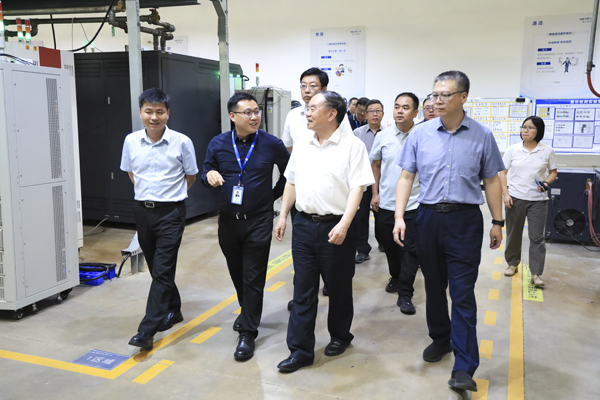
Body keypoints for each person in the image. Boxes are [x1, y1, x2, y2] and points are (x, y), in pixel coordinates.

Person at [393, 71, 505, 393]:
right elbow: (406, 177)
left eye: (445, 95)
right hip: (427, 218)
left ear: (463, 97)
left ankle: (465, 365)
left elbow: (492, 180)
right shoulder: (420, 134)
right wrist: (399, 216)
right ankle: (441, 338)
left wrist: (498, 221)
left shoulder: (482, 135)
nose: (437, 101)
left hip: (464, 221)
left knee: (462, 291)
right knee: (433, 285)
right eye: (434, 95)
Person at [274, 91, 374, 373]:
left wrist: (345, 224)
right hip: (304, 226)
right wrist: (282, 216)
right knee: (303, 290)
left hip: (336, 226)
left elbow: (358, 188)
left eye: (313, 108)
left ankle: (340, 335)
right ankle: (300, 350)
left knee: (338, 286)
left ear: (331, 114)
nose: (307, 112)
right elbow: (291, 182)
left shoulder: (352, 146)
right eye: (307, 108)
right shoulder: (303, 145)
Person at [201, 92, 289, 361]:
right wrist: (209, 175)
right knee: (237, 273)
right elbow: (205, 172)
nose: (255, 117)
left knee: (253, 276)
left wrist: (270, 197)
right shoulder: (218, 143)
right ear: (232, 116)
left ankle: (248, 332)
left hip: (258, 221)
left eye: (257, 111)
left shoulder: (271, 143)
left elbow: (289, 175)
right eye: (248, 112)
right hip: (228, 221)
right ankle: (247, 311)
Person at [121, 88, 198, 351]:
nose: (154, 117)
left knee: (163, 270)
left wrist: (169, 196)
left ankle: (147, 330)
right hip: (143, 211)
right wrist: (148, 194)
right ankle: (173, 309)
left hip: (171, 213)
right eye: (149, 111)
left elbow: (190, 176)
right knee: (157, 267)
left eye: (159, 112)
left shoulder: (182, 142)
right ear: (140, 112)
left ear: (168, 113)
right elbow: (131, 173)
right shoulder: (131, 141)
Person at [281, 67, 353, 302]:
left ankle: (331, 284)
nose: (307, 90)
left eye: (313, 86)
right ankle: (302, 292)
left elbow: (345, 148)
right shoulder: (293, 116)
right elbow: (289, 147)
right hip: (304, 195)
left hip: (332, 201)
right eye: (303, 86)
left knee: (335, 269)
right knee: (304, 260)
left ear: (324, 89)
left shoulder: (338, 119)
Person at [370, 93, 420, 314]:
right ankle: (396, 276)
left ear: (415, 112)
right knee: (390, 246)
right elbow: (375, 165)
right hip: (387, 202)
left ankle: (406, 293)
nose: (400, 111)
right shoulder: (383, 136)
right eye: (397, 106)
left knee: (410, 250)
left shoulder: (423, 135)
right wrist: (375, 193)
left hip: (414, 204)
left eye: (405, 107)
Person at [499, 116, 556, 287]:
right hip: (515, 198)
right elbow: (502, 173)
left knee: (537, 237)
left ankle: (536, 273)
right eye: (524, 127)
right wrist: (506, 194)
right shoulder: (513, 150)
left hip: (538, 200)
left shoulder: (547, 150)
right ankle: (512, 263)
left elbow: (553, 172)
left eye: (530, 128)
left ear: (539, 131)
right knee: (513, 234)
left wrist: (546, 183)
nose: (526, 130)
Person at [353, 99, 385, 263]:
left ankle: (383, 242)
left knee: (382, 216)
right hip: (363, 182)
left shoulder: (388, 133)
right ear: (365, 114)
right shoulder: (357, 134)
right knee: (361, 217)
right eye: (371, 111)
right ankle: (363, 249)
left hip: (383, 181)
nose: (375, 114)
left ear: (383, 114)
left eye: (378, 111)